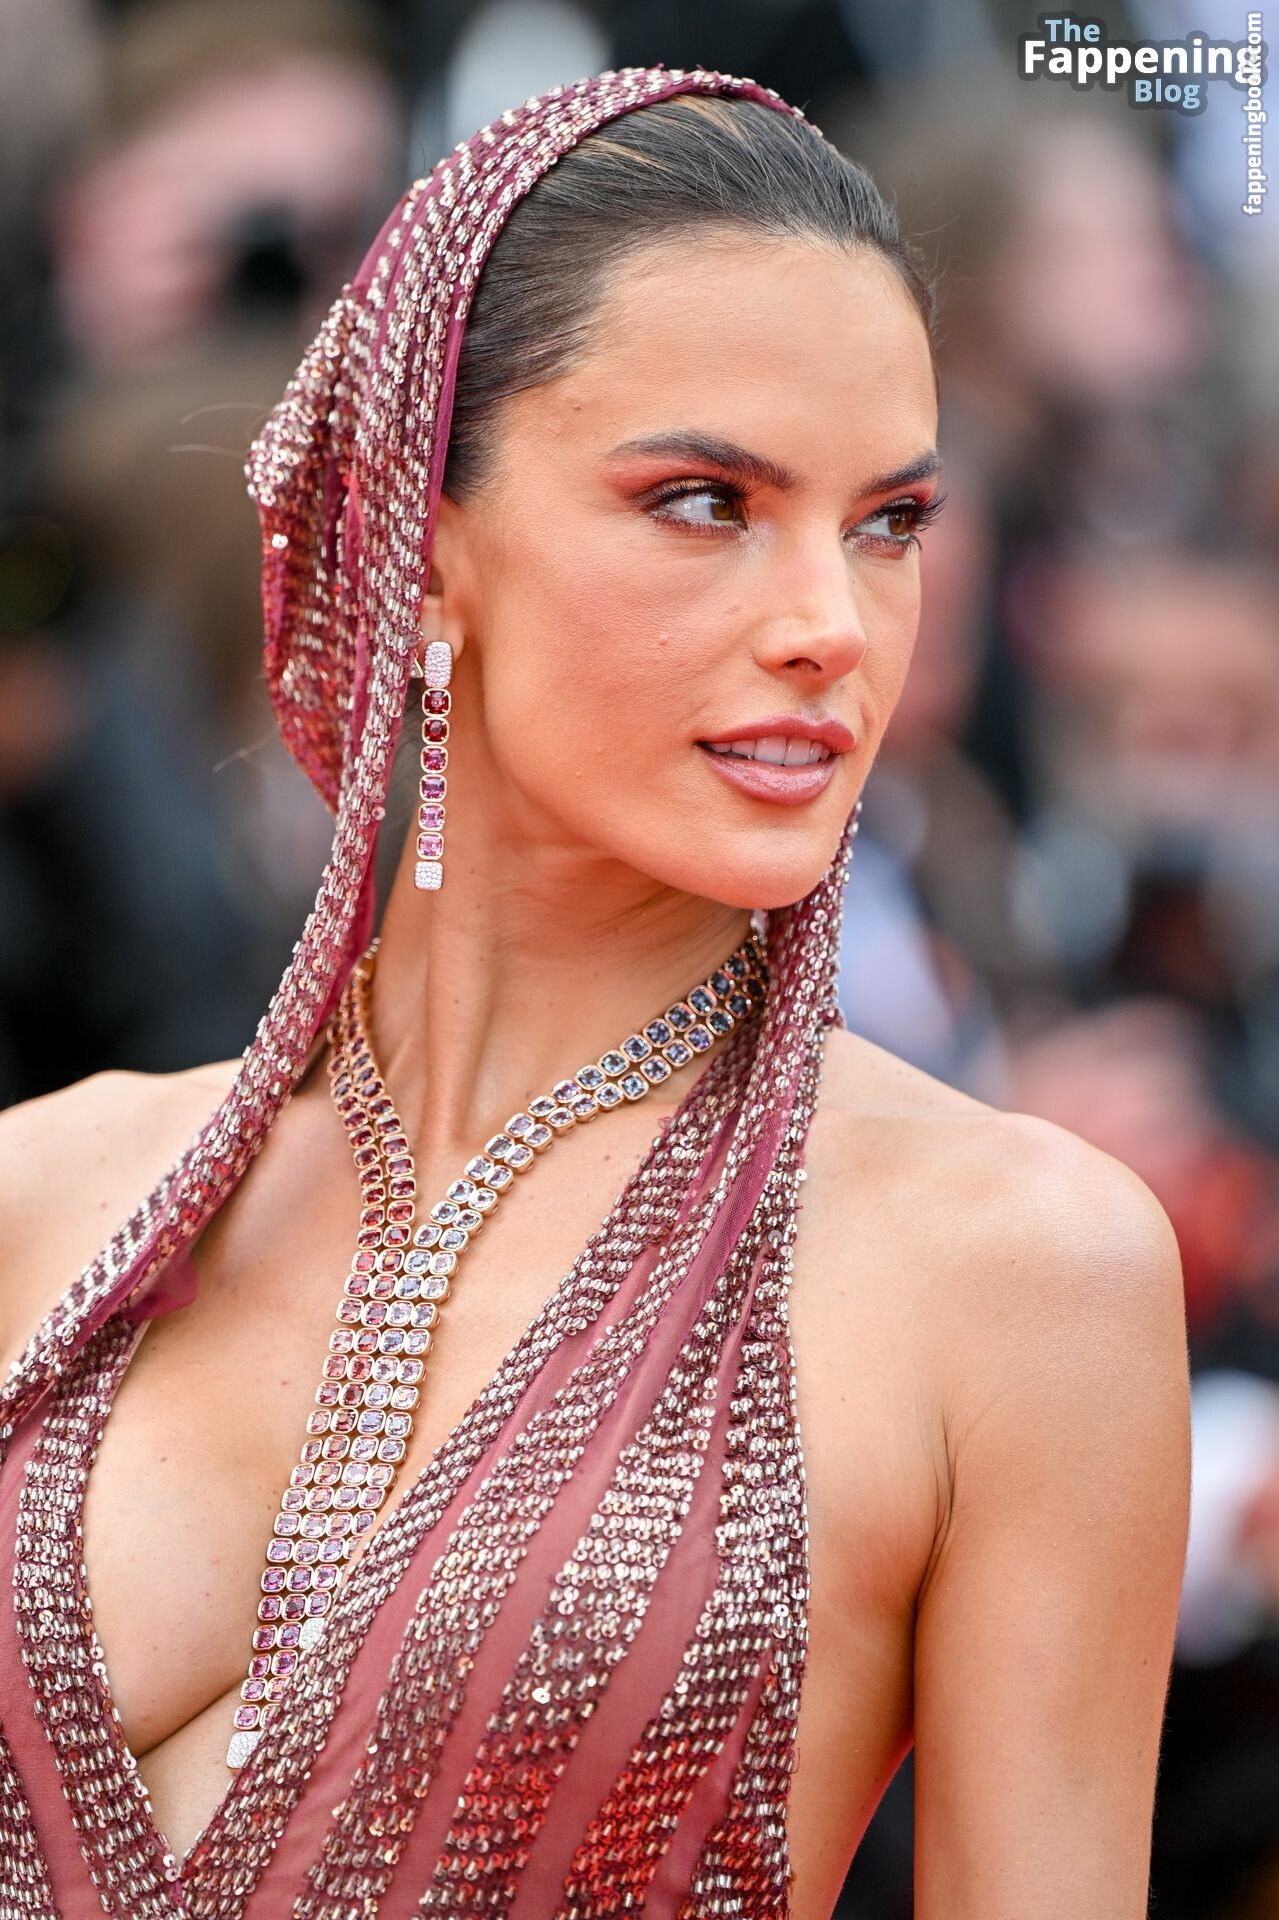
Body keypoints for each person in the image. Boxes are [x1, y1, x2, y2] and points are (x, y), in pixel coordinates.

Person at [0, 64, 1191, 1920]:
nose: (833, 624)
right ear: (421, 549)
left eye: (889, 522)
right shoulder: (41, 1196)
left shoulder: (1021, 1273)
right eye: (707, 501)